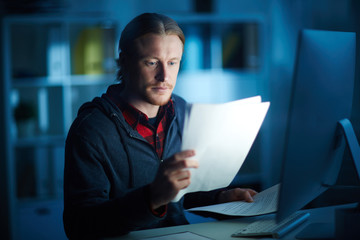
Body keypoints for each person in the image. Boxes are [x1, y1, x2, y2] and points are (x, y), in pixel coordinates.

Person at [63, 12, 257, 239]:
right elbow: (80, 227)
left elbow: (184, 191)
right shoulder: (91, 130)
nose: (164, 76)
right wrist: (151, 198)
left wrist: (220, 198)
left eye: (172, 63)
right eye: (152, 62)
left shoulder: (181, 110)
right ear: (124, 62)